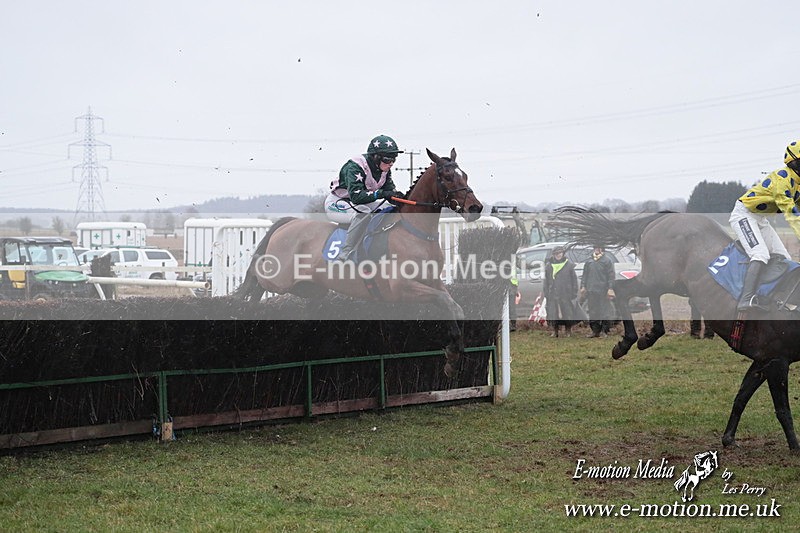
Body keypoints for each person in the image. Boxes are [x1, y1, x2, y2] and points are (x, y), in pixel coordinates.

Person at [729, 140, 800, 311]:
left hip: (761, 220)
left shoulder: (798, 183)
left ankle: (770, 297)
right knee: (760, 254)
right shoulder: (782, 178)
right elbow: (791, 213)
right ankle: (745, 300)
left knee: (784, 258)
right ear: (795, 162)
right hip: (744, 214)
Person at [325, 134, 405, 261]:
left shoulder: (384, 169)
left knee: (389, 208)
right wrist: (381, 193)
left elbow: (389, 192)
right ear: (375, 157)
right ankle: (346, 252)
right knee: (363, 212)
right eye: (387, 160)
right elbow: (357, 197)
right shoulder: (355, 166)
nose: (391, 164)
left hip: (360, 203)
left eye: (393, 159)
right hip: (338, 203)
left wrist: (398, 197)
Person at [543, 246, 579, 337]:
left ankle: (568, 330)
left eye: (560, 253)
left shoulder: (569, 265)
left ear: (563, 254)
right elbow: (546, 281)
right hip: (553, 293)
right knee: (553, 313)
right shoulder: (549, 266)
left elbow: (574, 280)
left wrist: (574, 292)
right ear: (553, 255)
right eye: (556, 253)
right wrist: (546, 292)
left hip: (566, 293)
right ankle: (555, 331)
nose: (558, 255)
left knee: (567, 312)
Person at [581, 245, 615, 338]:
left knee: (604, 311)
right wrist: (583, 286)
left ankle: (604, 331)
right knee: (593, 311)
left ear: (602, 249)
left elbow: (611, 276)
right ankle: (595, 331)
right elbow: (585, 275)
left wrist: (610, 288)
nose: (597, 249)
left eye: (599, 248)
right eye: (595, 248)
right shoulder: (589, 261)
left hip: (603, 291)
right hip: (591, 291)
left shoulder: (607, 261)